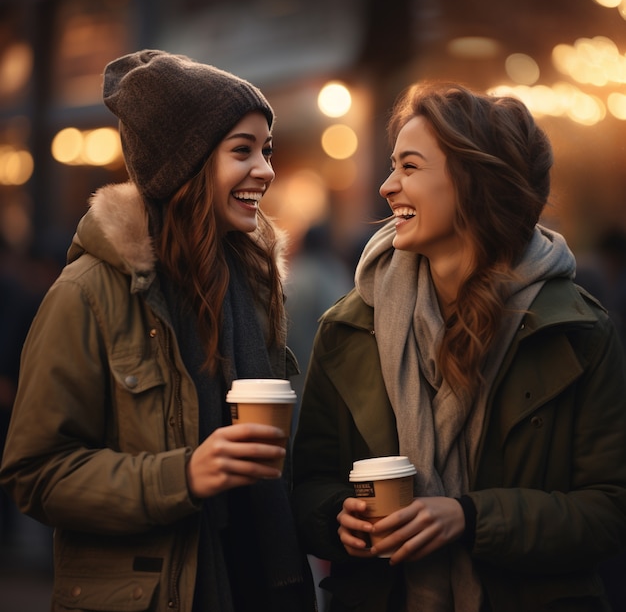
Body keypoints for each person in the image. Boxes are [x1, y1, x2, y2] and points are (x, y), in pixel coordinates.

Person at [291, 81, 626, 612]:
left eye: (409, 167)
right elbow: (308, 482)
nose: (386, 186)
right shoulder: (350, 328)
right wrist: (338, 518)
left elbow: (609, 512)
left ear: (472, 184)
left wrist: (469, 517)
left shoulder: (577, 330)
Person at [0, 49, 315, 612]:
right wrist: (183, 476)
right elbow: (35, 474)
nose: (266, 170)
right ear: (185, 164)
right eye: (241, 151)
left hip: (256, 585)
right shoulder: (88, 292)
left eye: (266, 151)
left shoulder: (255, 288)